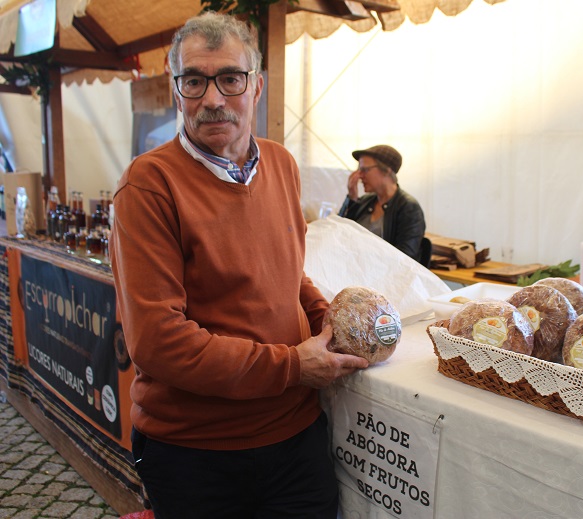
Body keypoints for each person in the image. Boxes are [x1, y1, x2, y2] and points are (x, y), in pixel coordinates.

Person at [109, 12, 368, 518]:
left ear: (256, 87)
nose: (213, 99)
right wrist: (294, 366)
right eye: (194, 80)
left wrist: (331, 320)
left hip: (295, 437)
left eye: (230, 78)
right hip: (196, 451)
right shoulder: (149, 185)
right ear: (176, 87)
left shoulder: (281, 164)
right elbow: (159, 342)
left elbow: (288, 274)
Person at [338, 145, 427, 263]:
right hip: (352, 267)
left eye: (364, 170)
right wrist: (352, 197)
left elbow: (405, 259)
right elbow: (338, 233)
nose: (360, 176)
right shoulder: (365, 201)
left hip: (382, 276)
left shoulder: (408, 208)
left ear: (386, 170)